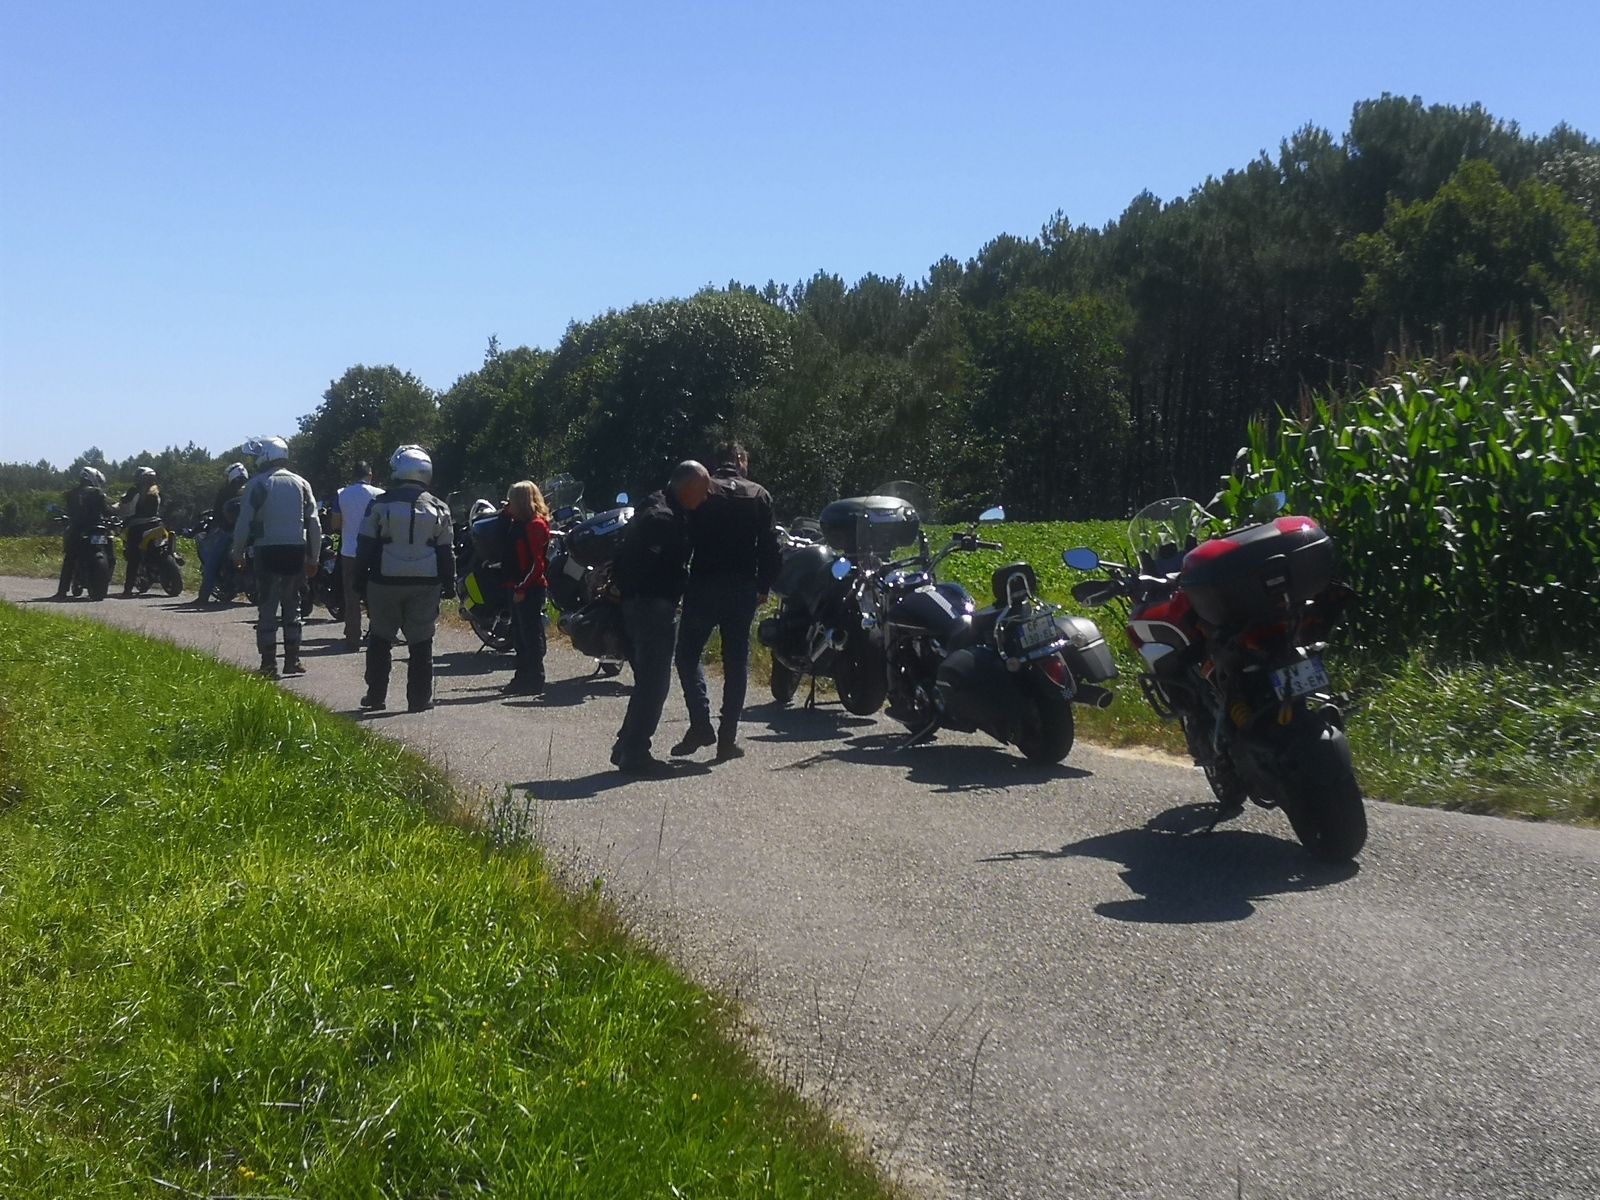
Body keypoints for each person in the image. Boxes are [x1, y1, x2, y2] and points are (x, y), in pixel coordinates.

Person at [672, 441, 783, 762]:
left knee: (688, 655)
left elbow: (683, 538)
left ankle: (700, 722)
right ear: (741, 460)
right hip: (742, 589)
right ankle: (727, 739)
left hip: (704, 584)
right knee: (736, 664)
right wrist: (764, 586)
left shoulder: (705, 492)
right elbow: (771, 549)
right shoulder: (759, 494)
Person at [610, 460, 711, 775]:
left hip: (639, 604)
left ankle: (625, 745)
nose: (705, 498)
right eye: (703, 491)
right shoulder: (664, 520)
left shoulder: (655, 504)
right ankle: (635, 753)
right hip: (651, 607)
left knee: (647, 683)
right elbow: (656, 569)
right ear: (687, 489)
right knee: (654, 685)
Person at [354, 445, 454, 713]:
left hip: (384, 582)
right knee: (421, 641)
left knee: (380, 638)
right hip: (425, 582)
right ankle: (419, 699)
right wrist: (449, 584)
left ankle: (376, 696)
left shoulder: (379, 504)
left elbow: (364, 545)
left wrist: (357, 580)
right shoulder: (440, 507)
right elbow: (446, 551)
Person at [231, 436, 321, 678]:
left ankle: (269, 664)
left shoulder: (257, 484)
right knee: (293, 608)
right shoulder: (302, 483)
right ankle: (292, 659)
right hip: (295, 551)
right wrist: (314, 558)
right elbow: (314, 523)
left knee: (267, 609)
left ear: (266, 455)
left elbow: (244, 522)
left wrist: (236, 552)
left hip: (267, 551)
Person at [501, 479, 552, 696]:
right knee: (520, 637)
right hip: (516, 585)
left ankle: (535, 678)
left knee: (531, 636)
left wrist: (522, 588)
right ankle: (521, 677)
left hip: (530, 588)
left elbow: (537, 563)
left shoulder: (535, 525)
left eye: (512, 499)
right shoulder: (517, 522)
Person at [333, 462, 382, 650]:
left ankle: (353, 636)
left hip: (350, 552)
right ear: (370, 475)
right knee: (376, 594)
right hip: (374, 552)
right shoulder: (380, 494)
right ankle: (380, 633)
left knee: (351, 596)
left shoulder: (342, 494)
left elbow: (336, 524)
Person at [196, 461, 248, 604]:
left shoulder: (226, 491)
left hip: (229, 532)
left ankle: (203, 596)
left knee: (211, 563)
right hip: (252, 531)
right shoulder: (251, 489)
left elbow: (218, 513)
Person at [55, 466, 111, 596]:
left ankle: (62, 591)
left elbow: (71, 513)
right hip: (98, 528)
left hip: (79, 529)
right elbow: (107, 511)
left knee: (70, 557)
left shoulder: (71, 494)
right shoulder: (98, 493)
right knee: (110, 552)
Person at [116, 466, 162, 596]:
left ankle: (128, 589)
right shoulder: (157, 490)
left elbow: (123, 503)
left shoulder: (134, 490)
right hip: (157, 523)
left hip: (138, 525)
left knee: (133, 557)